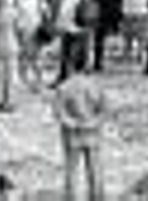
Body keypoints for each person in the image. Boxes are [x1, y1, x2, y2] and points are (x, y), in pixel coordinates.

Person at [53, 49, 108, 200]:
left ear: (71, 65)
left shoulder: (64, 87)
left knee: (71, 172)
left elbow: (59, 113)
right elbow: (104, 110)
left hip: (72, 135)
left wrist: (73, 123)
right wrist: (93, 123)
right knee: (95, 170)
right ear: (87, 65)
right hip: (93, 133)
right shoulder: (96, 85)